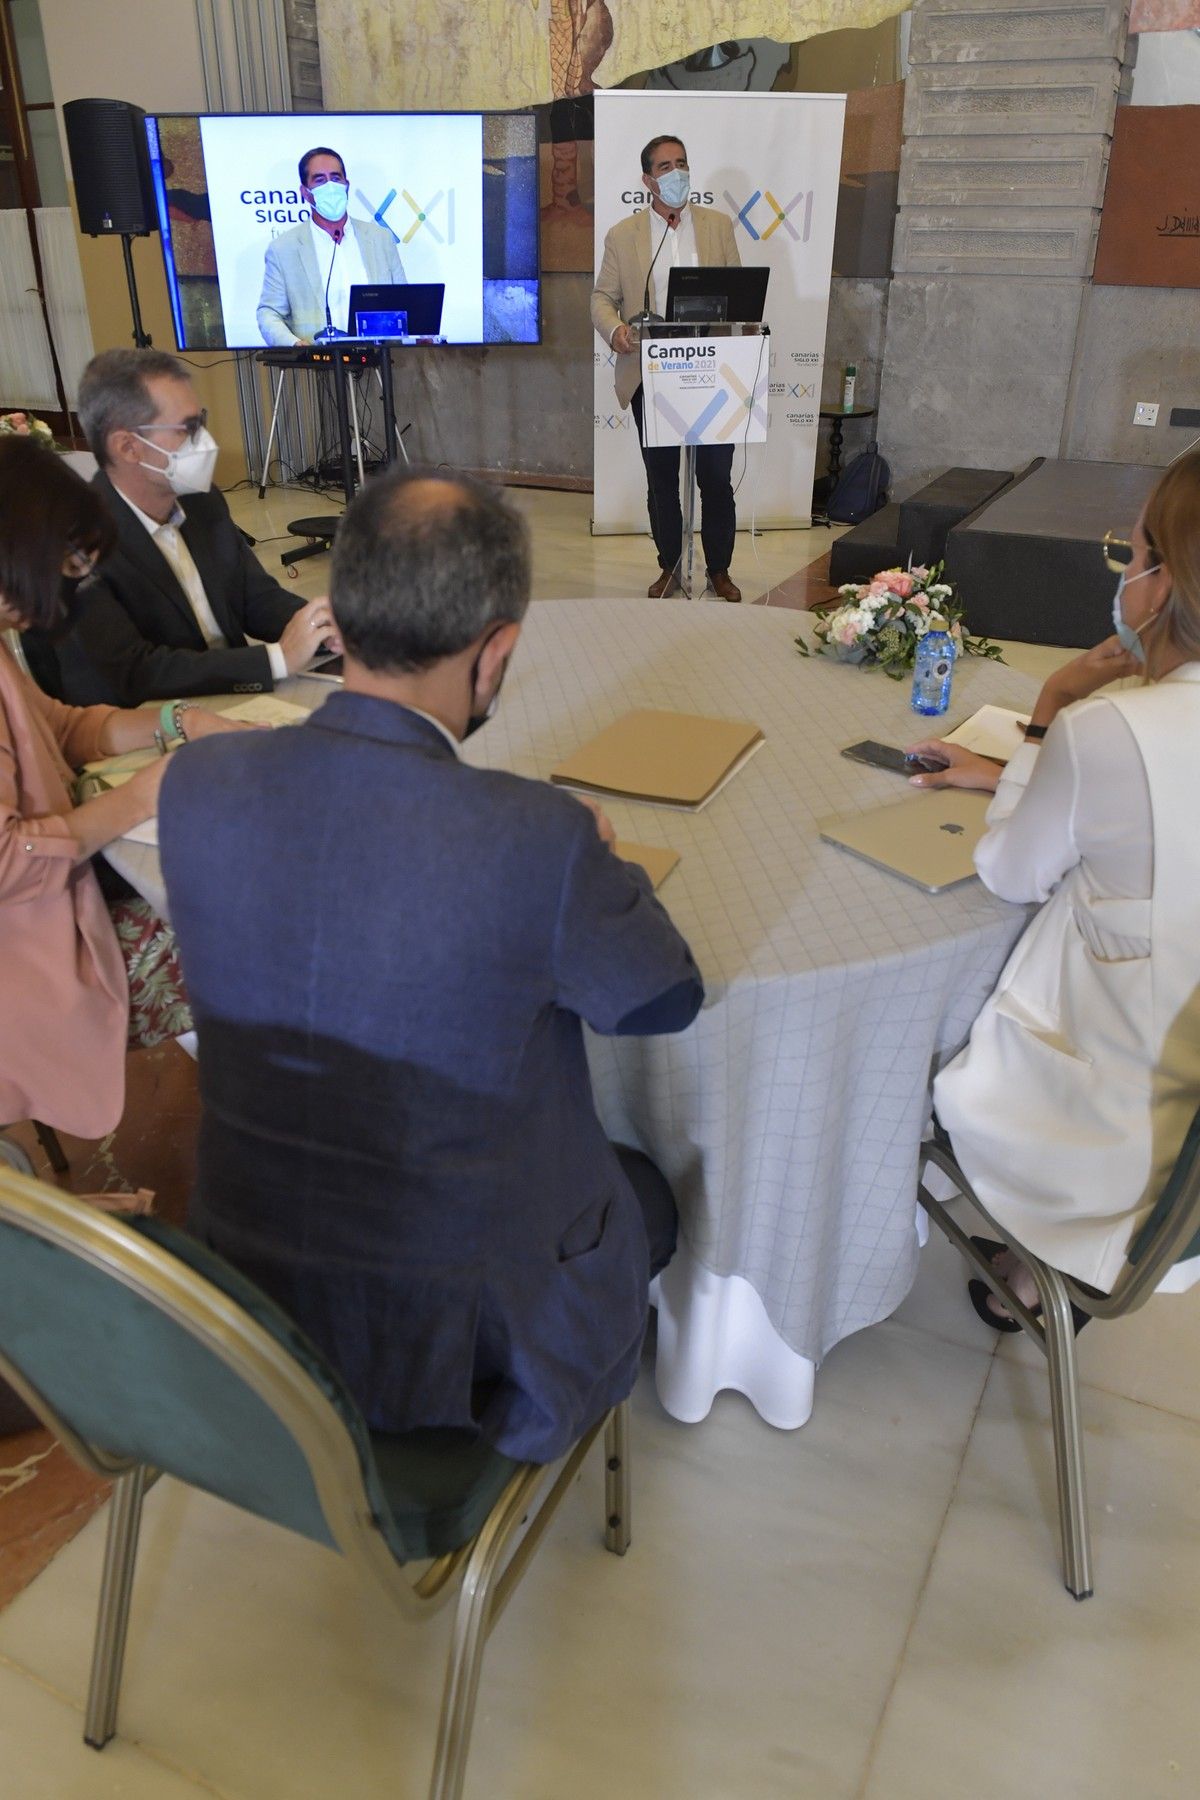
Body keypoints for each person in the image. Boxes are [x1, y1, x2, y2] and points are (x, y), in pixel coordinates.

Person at [160, 467, 705, 1463]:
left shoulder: (196, 784)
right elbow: (664, 997)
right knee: (656, 1193)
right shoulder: (535, 837)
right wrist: (603, 860)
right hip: (467, 1364)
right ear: (495, 652)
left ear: (344, 610)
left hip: (244, 1304)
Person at [909, 450, 1200, 1322]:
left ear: (1168, 581)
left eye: (1136, 551)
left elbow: (1008, 871)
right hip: (1185, 1130)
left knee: (911, 1043)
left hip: (1099, 1130)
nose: (1128, 574)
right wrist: (1018, 769)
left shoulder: (1110, 726)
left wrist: (1053, 708)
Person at [0, 436, 248, 1143]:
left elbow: (61, 725)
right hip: (25, 951)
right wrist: (144, 797)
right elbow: (10, 860)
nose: (65, 588)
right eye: (62, 567)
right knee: (245, 929)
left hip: (42, 904)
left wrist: (178, 722)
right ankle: (268, 1129)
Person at [29, 349, 337, 708]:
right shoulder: (75, 540)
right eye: (188, 428)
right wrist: (278, 658)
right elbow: (134, 671)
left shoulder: (201, 501)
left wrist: (322, 626)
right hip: (151, 723)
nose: (204, 440)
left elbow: (255, 598)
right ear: (128, 447)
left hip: (236, 700)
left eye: (200, 421)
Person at [591, 134, 742, 603]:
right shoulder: (624, 235)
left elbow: (736, 294)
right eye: (664, 167)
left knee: (715, 477)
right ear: (647, 180)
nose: (676, 173)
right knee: (662, 478)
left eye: (681, 163)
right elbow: (602, 298)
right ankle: (671, 566)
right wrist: (616, 331)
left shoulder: (717, 226)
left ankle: (719, 569)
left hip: (712, 372)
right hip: (652, 373)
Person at [256, 145, 406, 347]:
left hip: (381, 355)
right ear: (305, 192)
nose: (330, 186)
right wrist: (294, 343)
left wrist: (421, 331)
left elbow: (404, 302)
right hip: (317, 363)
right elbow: (269, 313)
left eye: (336, 178)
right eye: (320, 180)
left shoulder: (380, 239)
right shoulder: (283, 249)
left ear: (347, 185)